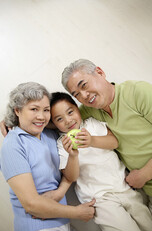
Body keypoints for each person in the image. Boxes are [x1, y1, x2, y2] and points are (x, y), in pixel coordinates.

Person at [0, 82, 96, 231]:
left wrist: (60, 192)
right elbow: (31, 204)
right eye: (33, 109)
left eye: (45, 110)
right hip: (37, 229)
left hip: (62, 224)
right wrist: (77, 212)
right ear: (17, 110)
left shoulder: (49, 135)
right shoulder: (13, 145)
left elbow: (65, 120)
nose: (41, 116)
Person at [49, 91, 152, 231]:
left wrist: (92, 141)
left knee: (148, 227)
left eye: (70, 112)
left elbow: (114, 142)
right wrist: (73, 155)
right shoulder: (62, 143)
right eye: (59, 119)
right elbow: (72, 176)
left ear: (77, 108)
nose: (68, 120)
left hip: (124, 187)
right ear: (54, 124)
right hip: (99, 199)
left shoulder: (91, 124)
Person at [61, 59, 152, 213]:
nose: (84, 95)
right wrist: (17, 124)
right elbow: (60, 119)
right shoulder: (90, 110)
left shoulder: (138, 92)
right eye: (77, 94)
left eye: (84, 85)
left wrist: (145, 174)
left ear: (100, 72)